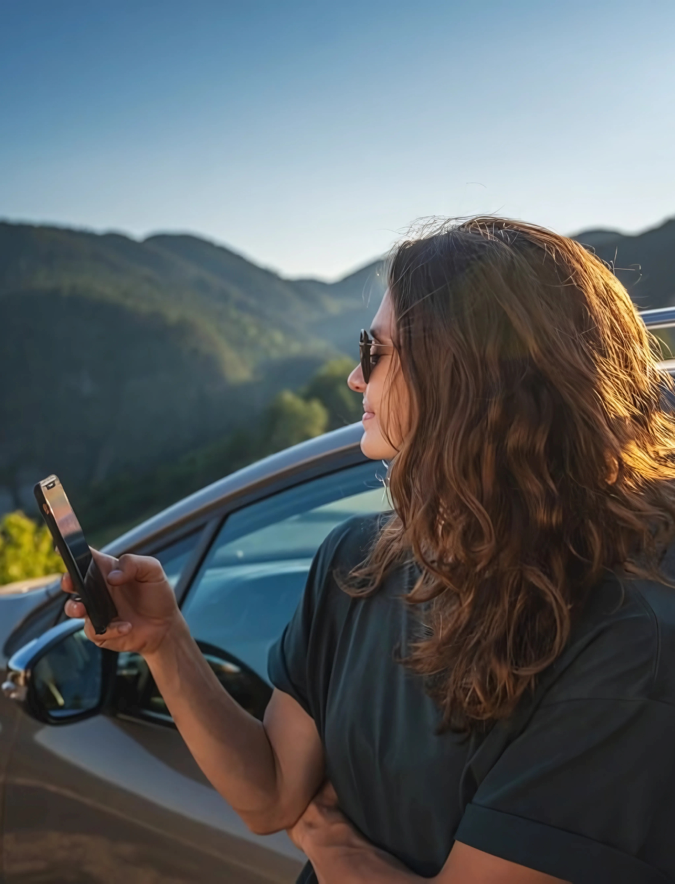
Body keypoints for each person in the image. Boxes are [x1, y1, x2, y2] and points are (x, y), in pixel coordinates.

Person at [63, 217, 675, 883]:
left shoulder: (627, 639)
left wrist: (336, 850)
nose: (357, 378)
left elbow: (308, 824)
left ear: (463, 377)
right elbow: (270, 793)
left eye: (375, 351)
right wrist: (164, 641)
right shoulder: (357, 561)